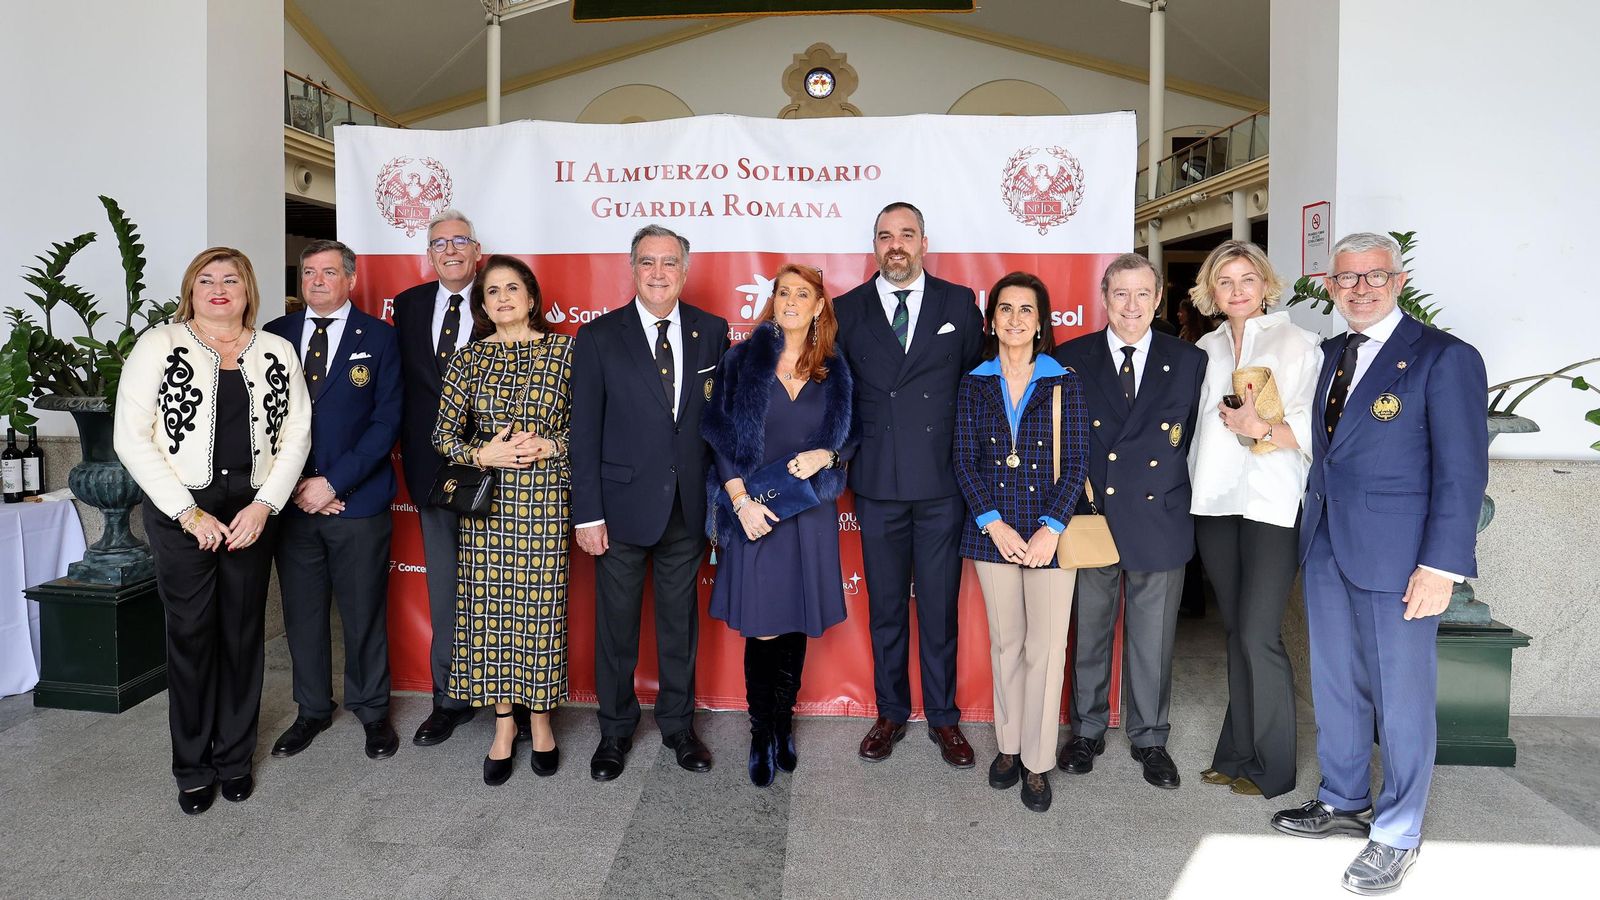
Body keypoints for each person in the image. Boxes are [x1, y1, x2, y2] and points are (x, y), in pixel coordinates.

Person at [1269, 232, 1488, 895]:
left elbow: (1462, 472)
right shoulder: (1331, 354)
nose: (1359, 289)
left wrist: (1441, 566)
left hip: (1401, 558)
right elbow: (1326, 448)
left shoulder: (1444, 357)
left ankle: (1396, 832)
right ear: (1329, 286)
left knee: (1401, 696)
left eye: (1374, 276)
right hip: (1327, 542)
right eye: (1347, 278)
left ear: (1399, 281)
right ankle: (1343, 799)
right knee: (1336, 681)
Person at [113, 247, 310, 814]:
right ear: (190, 290)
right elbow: (131, 437)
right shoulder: (159, 344)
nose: (219, 288)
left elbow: (297, 434)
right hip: (183, 513)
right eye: (206, 280)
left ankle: (234, 759)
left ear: (248, 290)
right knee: (192, 635)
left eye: (231, 279)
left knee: (243, 635)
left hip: (252, 513)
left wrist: (265, 505)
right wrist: (186, 512)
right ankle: (194, 767)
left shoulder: (276, 350)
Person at [571, 224, 729, 781]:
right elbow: (583, 432)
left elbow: (718, 423)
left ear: (685, 270)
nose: (658, 273)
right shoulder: (598, 337)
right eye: (647, 262)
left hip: (687, 508)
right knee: (615, 629)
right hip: (618, 511)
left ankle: (679, 727)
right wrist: (587, 514)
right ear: (632, 268)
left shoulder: (712, 331)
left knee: (678, 627)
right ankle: (614, 731)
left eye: (668, 262)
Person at [833, 201, 984, 768]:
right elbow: (840, 396)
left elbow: (973, 387)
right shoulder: (847, 309)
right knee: (887, 608)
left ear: (924, 242)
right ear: (875, 246)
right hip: (877, 481)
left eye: (906, 234)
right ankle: (890, 712)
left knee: (940, 609)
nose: (895, 244)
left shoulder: (958, 303)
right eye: (884, 236)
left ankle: (944, 718)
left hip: (942, 481)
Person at [1053, 253, 1205, 789]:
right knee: (1090, 634)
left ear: (1159, 298)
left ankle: (1150, 738)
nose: (1132, 305)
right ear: (1104, 298)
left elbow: (1194, 441)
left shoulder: (1188, 360)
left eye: (1143, 294)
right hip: (1093, 519)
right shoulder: (1071, 358)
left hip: (1159, 517)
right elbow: (1061, 442)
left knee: (1152, 640)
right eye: (1121, 293)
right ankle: (1087, 731)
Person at [701, 264, 855, 788]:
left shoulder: (834, 367)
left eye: (802, 294)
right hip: (757, 512)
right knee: (765, 626)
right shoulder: (741, 360)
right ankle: (760, 731)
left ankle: (784, 723)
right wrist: (740, 501)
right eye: (783, 292)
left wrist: (826, 456)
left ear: (818, 306)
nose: (790, 300)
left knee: (793, 622)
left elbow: (852, 435)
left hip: (808, 513)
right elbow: (720, 437)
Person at [1185, 240, 1321, 799]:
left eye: (1247, 279)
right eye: (1225, 281)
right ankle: (1237, 753)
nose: (1237, 290)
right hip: (1215, 502)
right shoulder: (1206, 348)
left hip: (1272, 504)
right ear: (1211, 292)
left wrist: (1260, 428)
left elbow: (1316, 429)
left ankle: (1274, 766)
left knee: (1260, 633)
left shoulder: (1299, 343)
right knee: (1236, 630)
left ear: (1266, 284)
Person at [433, 254, 573, 785]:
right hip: (487, 507)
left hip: (544, 502)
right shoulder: (468, 359)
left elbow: (589, 427)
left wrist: (551, 445)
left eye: (513, 288)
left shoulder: (565, 352)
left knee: (540, 612)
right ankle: (504, 723)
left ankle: (541, 720)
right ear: (483, 305)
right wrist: (480, 454)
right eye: (492, 291)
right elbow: (442, 436)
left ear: (531, 298)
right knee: (490, 616)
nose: (503, 298)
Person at [263, 239, 403, 763]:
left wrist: (332, 485)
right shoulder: (274, 335)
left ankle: (371, 710)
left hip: (357, 503)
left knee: (363, 612)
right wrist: (300, 486)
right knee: (302, 614)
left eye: (327, 272)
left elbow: (386, 421)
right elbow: (262, 420)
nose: (317, 281)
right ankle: (312, 710)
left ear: (350, 279)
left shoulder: (381, 337)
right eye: (308, 273)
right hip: (292, 503)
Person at [953, 272, 1087, 813]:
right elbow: (964, 460)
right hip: (993, 534)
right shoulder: (974, 382)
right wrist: (996, 525)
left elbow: (1076, 461)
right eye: (1005, 309)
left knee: (1046, 651)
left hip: (1049, 534)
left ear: (1041, 322)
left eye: (1025, 310)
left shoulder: (1063, 381)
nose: (1014, 319)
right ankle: (1008, 748)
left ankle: (1037, 761)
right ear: (992, 321)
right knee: (1006, 645)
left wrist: (1049, 530)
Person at [392, 208, 488, 747]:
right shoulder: (407, 305)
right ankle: (448, 699)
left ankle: (512, 700)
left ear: (477, 251)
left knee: (503, 587)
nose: (450, 250)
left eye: (459, 241)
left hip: (498, 470)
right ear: (429, 254)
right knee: (446, 588)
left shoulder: (500, 296)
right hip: (432, 470)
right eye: (439, 243)